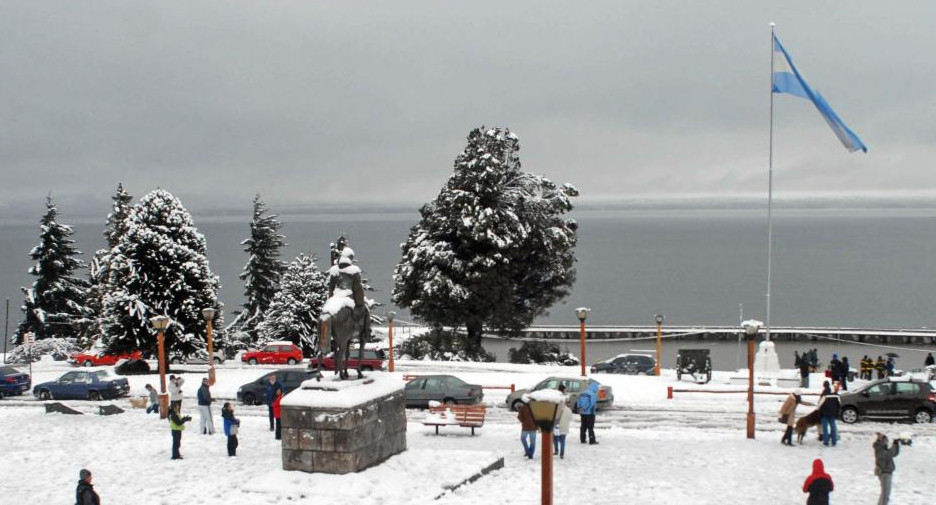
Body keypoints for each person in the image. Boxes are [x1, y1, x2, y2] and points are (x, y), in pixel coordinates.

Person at [873, 433, 903, 505]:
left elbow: (894, 453)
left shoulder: (883, 448)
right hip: (884, 473)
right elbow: (889, 454)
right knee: (885, 495)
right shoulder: (879, 449)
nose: (887, 442)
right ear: (881, 440)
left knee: (885, 494)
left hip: (887, 473)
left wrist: (896, 444)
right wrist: (894, 444)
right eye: (886, 440)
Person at [817, 381, 840, 446]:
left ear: (824, 386)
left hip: (825, 413)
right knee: (833, 427)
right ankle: (834, 441)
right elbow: (839, 403)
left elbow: (820, 404)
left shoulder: (824, 394)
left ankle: (826, 441)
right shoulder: (835, 394)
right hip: (832, 413)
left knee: (825, 428)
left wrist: (818, 410)